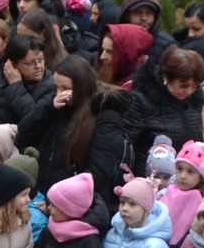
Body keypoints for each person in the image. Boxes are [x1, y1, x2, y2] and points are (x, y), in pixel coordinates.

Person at [16, 55, 128, 225]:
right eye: (57, 87)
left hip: (76, 211)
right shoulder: (57, 107)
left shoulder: (105, 116)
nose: (60, 93)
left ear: (81, 87)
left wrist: (57, 203)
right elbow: (24, 135)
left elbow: (97, 175)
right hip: (47, 200)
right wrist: (48, 108)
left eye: (66, 88)